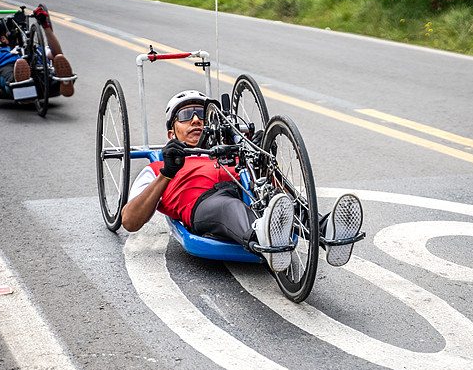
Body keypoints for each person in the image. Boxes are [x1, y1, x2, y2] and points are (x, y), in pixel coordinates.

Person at [121, 90, 364, 272]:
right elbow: (130, 221)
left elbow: (271, 189)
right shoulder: (157, 167)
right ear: (171, 133)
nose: (196, 120)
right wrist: (167, 172)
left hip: (247, 193)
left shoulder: (232, 153)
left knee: (280, 197)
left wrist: (263, 158)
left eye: (202, 115)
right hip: (205, 204)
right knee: (228, 206)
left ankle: (327, 230)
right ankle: (263, 235)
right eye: (186, 115)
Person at [0, 5, 74, 98]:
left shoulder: (36, 49)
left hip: (37, 70)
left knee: (48, 72)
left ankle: (62, 81)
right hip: (8, 69)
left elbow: (57, 54)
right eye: (14, 31)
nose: (18, 34)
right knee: (11, 75)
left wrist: (45, 26)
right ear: (3, 38)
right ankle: (23, 86)